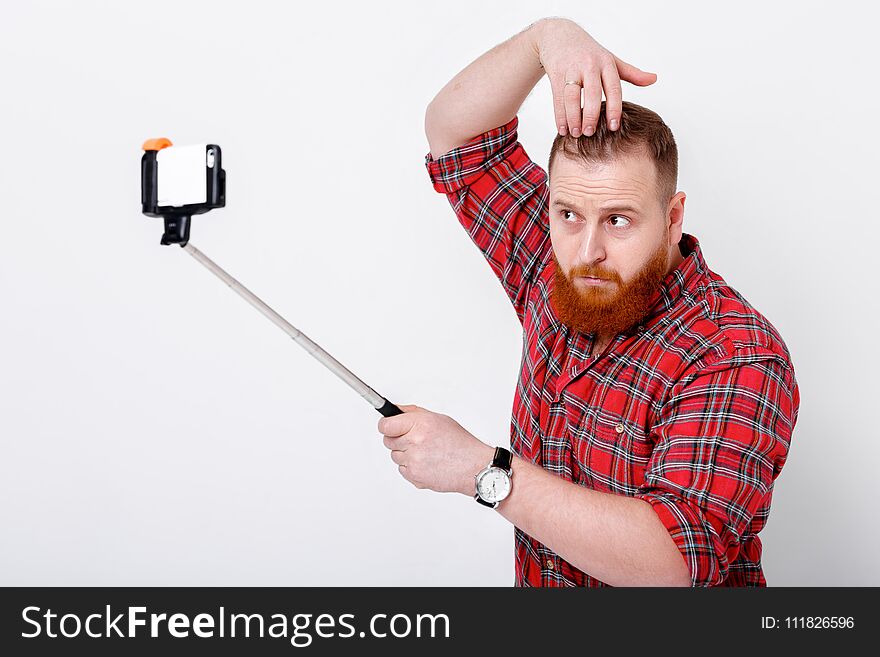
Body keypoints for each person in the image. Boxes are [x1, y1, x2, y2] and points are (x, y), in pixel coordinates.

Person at [378, 17, 800, 587]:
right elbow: (456, 140)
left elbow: (675, 563)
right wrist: (544, 38)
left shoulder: (736, 354)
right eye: (568, 214)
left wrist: (483, 471)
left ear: (672, 218)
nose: (589, 250)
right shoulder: (558, 266)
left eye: (619, 220)